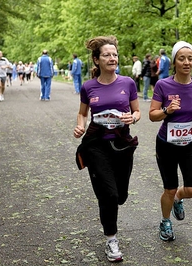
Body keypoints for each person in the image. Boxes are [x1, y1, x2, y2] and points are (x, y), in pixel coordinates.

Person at [73, 35, 140, 262]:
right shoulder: (88, 87)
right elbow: (82, 113)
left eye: (114, 54)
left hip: (122, 145)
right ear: (96, 60)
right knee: (108, 194)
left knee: (120, 195)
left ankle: (113, 207)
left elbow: (137, 111)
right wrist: (79, 126)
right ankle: (111, 240)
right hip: (96, 146)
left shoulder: (128, 83)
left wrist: (133, 117)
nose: (112, 58)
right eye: (107, 55)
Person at [149, 41, 192, 242]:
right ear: (174, 62)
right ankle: (165, 221)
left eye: (190, 58)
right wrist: (167, 110)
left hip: (189, 143)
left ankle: (178, 199)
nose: (186, 62)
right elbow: (152, 115)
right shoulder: (163, 85)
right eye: (181, 58)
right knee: (169, 189)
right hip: (166, 144)